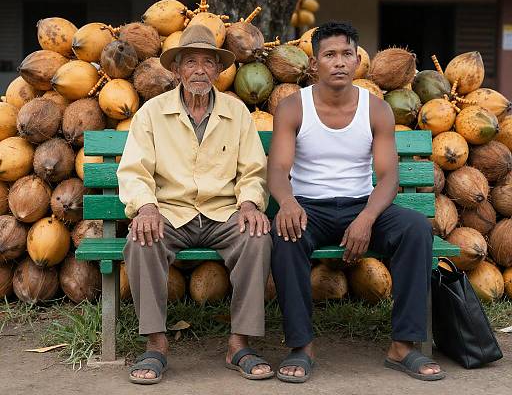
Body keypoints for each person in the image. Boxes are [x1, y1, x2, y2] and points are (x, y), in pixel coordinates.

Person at [268, 21, 445, 383]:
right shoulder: (292, 107)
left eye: (346, 54)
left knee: (414, 229)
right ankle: (302, 346)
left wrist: (366, 217)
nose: (339, 62)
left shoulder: (376, 109)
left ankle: (403, 346)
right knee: (285, 236)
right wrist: (287, 203)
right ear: (314, 64)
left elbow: (389, 178)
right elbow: (278, 170)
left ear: (357, 59)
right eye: (329, 55)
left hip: (363, 205)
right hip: (309, 209)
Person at [118, 24, 273, 385]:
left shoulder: (237, 114)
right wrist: (146, 207)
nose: (199, 70)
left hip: (222, 214)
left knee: (256, 238)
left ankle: (239, 344)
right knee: (140, 240)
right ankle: (156, 345)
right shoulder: (152, 113)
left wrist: (250, 204)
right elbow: (134, 170)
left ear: (219, 71)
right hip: (170, 214)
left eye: (208, 62)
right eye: (190, 62)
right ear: (176, 70)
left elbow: (253, 170)